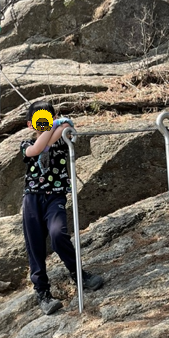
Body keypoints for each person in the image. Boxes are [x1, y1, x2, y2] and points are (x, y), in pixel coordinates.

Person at [21, 100, 103, 315]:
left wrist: (58, 125)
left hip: (54, 197)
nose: (44, 124)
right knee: (35, 246)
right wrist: (53, 127)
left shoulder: (62, 138)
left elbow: (68, 127)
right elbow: (37, 149)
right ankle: (43, 292)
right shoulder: (25, 145)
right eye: (39, 121)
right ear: (30, 124)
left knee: (58, 234)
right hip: (32, 199)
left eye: (47, 119)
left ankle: (79, 275)